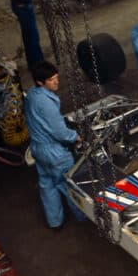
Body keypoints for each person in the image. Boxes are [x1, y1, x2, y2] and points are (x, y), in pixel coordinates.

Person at [25, 61, 87, 230]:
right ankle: (83, 217)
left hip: (38, 148)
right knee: (69, 185)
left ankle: (55, 222)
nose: (56, 82)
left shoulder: (32, 94)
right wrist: (76, 137)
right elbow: (59, 132)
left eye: (56, 77)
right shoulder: (45, 103)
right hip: (54, 152)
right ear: (40, 82)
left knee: (47, 185)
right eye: (51, 80)